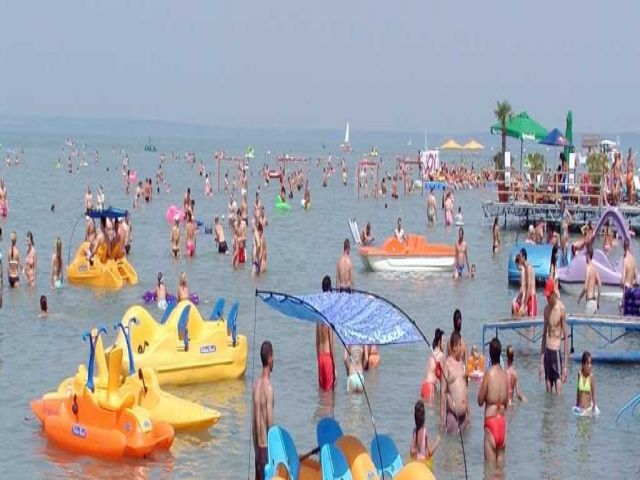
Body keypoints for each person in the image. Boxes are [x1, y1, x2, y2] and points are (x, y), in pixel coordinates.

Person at [477, 337, 508, 470]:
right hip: (502, 425)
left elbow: (479, 400)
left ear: (490, 354)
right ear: (500, 354)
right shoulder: (504, 375)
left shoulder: (489, 374)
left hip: (491, 426)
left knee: (489, 472)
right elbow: (506, 403)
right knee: (500, 473)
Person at [540, 278, 569, 394]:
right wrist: (540, 362)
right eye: (546, 296)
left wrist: (565, 367)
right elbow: (543, 335)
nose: (547, 299)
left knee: (558, 382)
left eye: (548, 296)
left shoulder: (561, 309)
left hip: (556, 349)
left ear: (553, 293)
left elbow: (566, 337)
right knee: (547, 381)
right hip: (547, 350)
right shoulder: (546, 310)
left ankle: (557, 411)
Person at [252, 341, 274, 480]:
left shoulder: (256, 386)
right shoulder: (269, 389)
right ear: (270, 358)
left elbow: (254, 426)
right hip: (266, 451)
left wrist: (256, 452)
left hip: (258, 451)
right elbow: (270, 427)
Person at [440, 331, 470, 434]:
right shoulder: (447, 365)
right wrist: (442, 419)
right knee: (452, 447)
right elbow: (443, 393)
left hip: (464, 416)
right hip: (453, 415)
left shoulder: (461, 364)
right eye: (460, 345)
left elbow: (465, 390)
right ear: (454, 347)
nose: (462, 348)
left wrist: (469, 413)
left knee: (463, 448)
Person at [317, 276, 337, 391]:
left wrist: (318, 360)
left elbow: (316, 342)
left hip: (320, 357)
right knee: (329, 395)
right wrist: (334, 366)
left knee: (322, 392)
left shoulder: (318, 313)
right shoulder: (329, 312)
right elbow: (331, 341)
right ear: (330, 289)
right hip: (328, 357)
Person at [409, 400, 440, 471]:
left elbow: (411, 452)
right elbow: (430, 452)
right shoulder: (425, 432)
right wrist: (437, 442)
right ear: (424, 417)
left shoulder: (415, 431)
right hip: (423, 465)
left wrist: (416, 452)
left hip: (416, 462)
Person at [421, 328, 445, 401]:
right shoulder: (440, 355)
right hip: (430, 386)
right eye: (443, 341)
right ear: (439, 342)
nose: (444, 343)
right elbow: (443, 378)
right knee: (434, 409)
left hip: (424, 386)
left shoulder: (433, 353)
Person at [577, 247, 601, 314]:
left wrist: (579, 298)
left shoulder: (588, 268)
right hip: (594, 302)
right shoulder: (595, 268)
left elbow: (585, 288)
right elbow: (600, 284)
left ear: (588, 254)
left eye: (585, 254)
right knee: (592, 324)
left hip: (589, 302)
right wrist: (598, 301)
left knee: (586, 323)